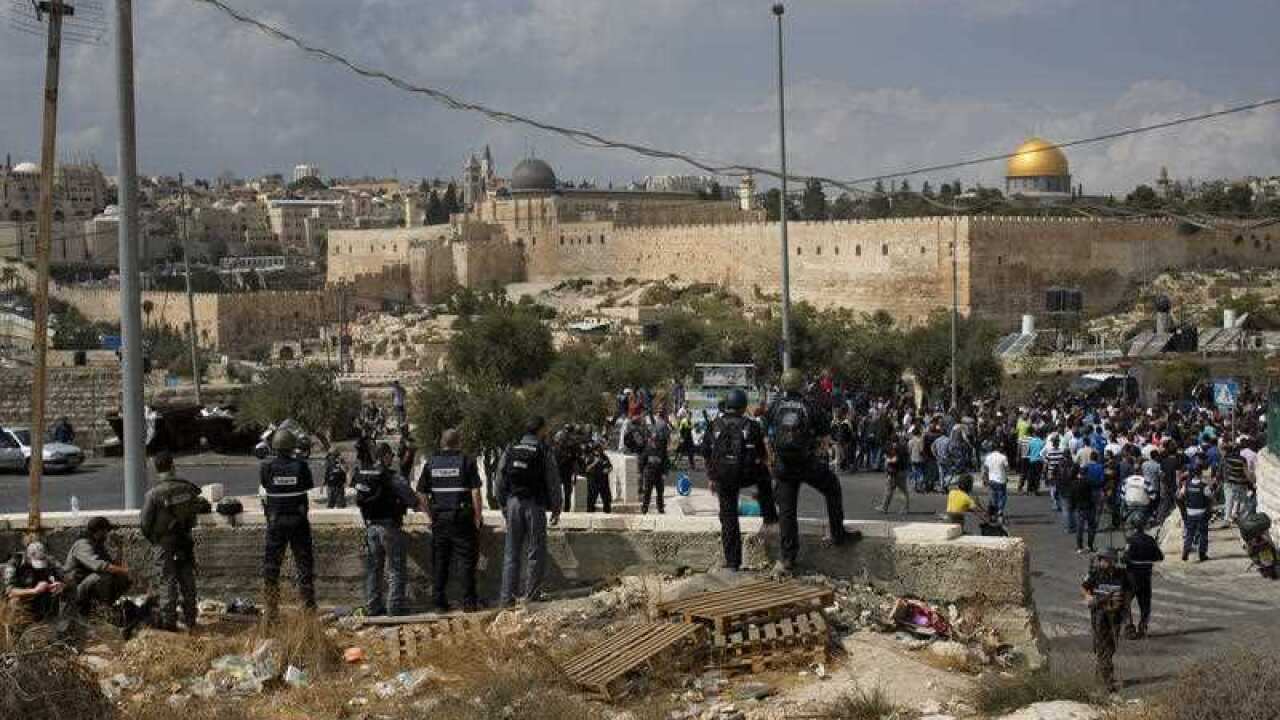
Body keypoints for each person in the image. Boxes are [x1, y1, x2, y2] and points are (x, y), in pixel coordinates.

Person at [768, 370, 853, 575]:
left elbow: (767, 435)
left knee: (787, 511)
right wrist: (816, 454)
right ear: (801, 385)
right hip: (806, 463)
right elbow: (825, 438)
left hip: (783, 466)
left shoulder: (775, 405)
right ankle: (838, 534)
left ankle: (787, 558)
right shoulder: (810, 405)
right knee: (832, 487)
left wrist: (773, 460)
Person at [705, 388, 778, 571]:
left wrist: (712, 477)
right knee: (764, 475)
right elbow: (762, 455)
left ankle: (732, 563)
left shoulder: (714, 425)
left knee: (728, 518)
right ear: (743, 406)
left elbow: (706, 453)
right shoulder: (751, 426)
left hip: (723, 477)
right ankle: (769, 517)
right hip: (745, 474)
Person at [496, 417, 562, 607]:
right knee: (535, 551)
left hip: (513, 504)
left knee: (511, 552)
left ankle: (506, 598)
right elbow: (553, 482)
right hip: (534, 505)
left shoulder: (511, 449)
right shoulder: (543, 451)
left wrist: (503, 505)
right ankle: (531, 596)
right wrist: (556, 508)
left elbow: (499, 481)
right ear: (541, 430)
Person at [418, 429, 483, 612]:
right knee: (466, 562)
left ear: (441, 443)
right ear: (458, 442)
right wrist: (477, 517)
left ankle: (439, 604)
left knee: (440, 562)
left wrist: (429, 516)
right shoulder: (466, 461)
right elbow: (476, 492)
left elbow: (421, 493)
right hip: (462, 519)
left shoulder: (431, 463)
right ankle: (469, 603)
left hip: (440, 519)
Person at [354, 442, 421, 616]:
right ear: (384, 456)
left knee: (373, 569)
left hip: (370, 527)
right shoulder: (389, 476)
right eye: (390, 455)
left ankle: (372, 606)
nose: (392, 458)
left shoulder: (363, 473)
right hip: (389, 527)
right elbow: (411, 499)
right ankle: (395, 606)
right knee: (396, 568)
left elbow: (359, 499)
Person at [139, 451, 203, 631]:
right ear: (173, 465)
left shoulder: (153, 494)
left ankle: (169, 622)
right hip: (184, 540)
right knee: (187, 579)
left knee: (166, 580)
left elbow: (144, 524)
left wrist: (156, 540)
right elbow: (194, 515)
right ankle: (191, 619)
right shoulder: (188, 488)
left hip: (164, 543)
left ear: (156, 469)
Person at [259, 429, 317, 618]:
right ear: (292, 446)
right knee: (304, 565)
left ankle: (271, 610)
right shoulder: (301, 466)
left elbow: (266, 486)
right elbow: (308, 485)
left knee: (271, 567)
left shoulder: (266, 467)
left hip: (276, 522)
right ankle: (308, 608)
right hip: (298, 521)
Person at [1082, 548, 1132, 693]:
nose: (1101, 562)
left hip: (1115, 616)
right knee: (1104, 647)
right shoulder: (1095, 574)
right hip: (1100, 616)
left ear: (1111, 560)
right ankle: (1106, 681)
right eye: (1101, 559)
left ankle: (1100, 677)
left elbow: (1128, 592)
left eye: (1104, 559)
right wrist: (1088, 597)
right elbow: (1085, 587)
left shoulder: (1122, 574)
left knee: (1111, 647)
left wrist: (1125, 609)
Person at [65, 516, 131, 616]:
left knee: (120, 577)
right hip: (75, 588)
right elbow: (99, 565)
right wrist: (125, 570)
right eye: (105, 532)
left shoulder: (97, 545)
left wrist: (119, 548)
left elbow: (112, 565)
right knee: (104, 576)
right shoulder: (82, 545)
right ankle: (103, 609)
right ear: (99, 531)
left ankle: (108, 608)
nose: (106, 535)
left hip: (86, 584)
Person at [5, 542, 65, 623]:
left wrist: (56, 585)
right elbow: (10, 592)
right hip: (23, 597)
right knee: (15, 601)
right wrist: (34, 591)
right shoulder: (15, 563)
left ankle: (52, 623)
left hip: (42, 595)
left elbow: (62, 577)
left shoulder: (49, 560)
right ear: (28, 557)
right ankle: (18, 629)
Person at [1123, 520, 1163, 640]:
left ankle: (1129, 628)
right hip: (1146, 576)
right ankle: (1143, 627)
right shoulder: (1150, 540)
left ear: (1133, 529)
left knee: (1125, 602)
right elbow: (1160, 557)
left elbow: (1126, 558)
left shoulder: (1130, 541)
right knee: (1145, 604)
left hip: (1132, 576)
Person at [639, 412, 672, 514]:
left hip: (658, 473)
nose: (654, 440)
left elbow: (666, 461)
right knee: (647, 492)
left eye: (655, 438)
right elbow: (642, 461)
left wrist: (665, 473)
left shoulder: (661, 449)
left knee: (660, 492)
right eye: (653, 438)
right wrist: (640, 473)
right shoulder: (648, 449)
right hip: (649, 473)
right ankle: (644, 509)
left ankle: (660, 508)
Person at [1179, 468, 1212, 562]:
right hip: (1202, 512)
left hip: (1190, 512)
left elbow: (1180, 496)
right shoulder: (1204, 486)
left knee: (1189, 533)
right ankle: (1202, 554)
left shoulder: (1187, 485)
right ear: (1201, 474)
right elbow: (1210, 496)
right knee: (1203, 534)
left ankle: (1186, 551)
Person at [981, 441, 1010, 521]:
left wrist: (984, 479)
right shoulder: (1003, 457)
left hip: (991, 480)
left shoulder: (988, 457)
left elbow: (985, 469)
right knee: (1002, 496)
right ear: (999, 448)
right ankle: (1000, 511)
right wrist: (1006, 475)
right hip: (1001, 480)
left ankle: (993, 511)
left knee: (993, 496)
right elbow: (1007, 469)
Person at [583, 443, 614, 513]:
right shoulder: (590, 457)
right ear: (594, 450)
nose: (599, 451)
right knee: (591, 500)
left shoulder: (604, 457)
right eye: (598, 449)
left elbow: (610, 466)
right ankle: (590, 513)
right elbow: (586, 469)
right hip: (593, 481)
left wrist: (608, 470)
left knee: (606, 500)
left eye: (600, 449)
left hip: (603, 481)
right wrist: (595, 462)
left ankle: (607, 512)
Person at [880, 441, 910, 515]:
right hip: (901, 472)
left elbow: (895, 460)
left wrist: (887, 459)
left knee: (892, 491)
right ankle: (885, 507)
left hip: (896, 473)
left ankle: (884, 507)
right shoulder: (902, 449)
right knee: (901, 491)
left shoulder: (898, 451)